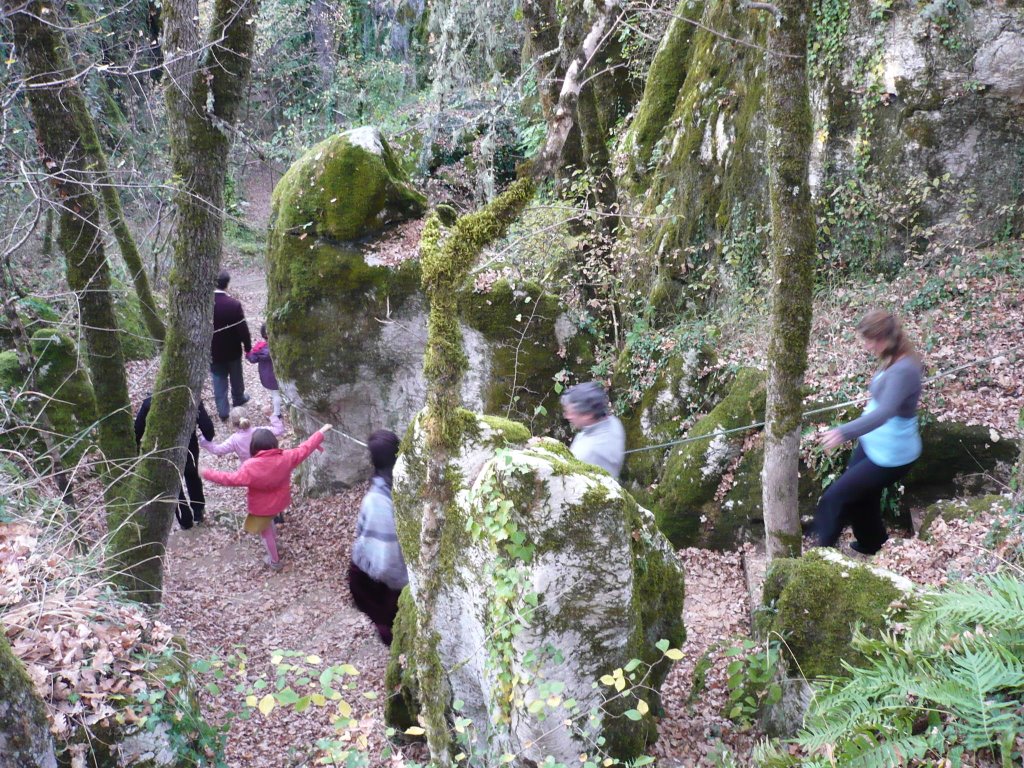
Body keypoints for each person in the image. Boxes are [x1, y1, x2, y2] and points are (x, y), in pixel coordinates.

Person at [813, 309, 923, 555]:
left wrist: (843, 432)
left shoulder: (904, 369)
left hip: (891, 454)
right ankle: (872, 543)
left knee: (836, 498)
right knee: (862, 497)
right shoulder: (895, 357)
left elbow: (885, 412)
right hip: (873, 443)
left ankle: (818, 558)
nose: (867, 346)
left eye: (870, 340)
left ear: (886, 338)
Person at [201, 423, 331, 570]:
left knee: (266, 533)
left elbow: (230, 479)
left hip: (261, 508)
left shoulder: (250, 466)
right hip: (279, 503)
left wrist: (207, 473)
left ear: (254, 447)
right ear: (273, 443)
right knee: (271, 523)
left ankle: (274, 561)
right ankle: (275, 544)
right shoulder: (286, 457)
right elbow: (305, 449)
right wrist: (320, 432)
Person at [348, 430, 408, 645]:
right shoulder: (384, 498)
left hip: (377, 581)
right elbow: (386, 561)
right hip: (376, 583)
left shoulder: (383, 496)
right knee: (389, 626)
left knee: (390, 626)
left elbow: (386, 562)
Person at [134, 393, 215, 529]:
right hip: (188, 445)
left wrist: (137, 450)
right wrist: (208, 436)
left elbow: (137, 430)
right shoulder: (190, 395)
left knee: (172, 483)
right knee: (192, 474)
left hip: (163, 449)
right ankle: (198, 511)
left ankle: (185, 520)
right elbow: (207, 427)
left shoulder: (149, 403)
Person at [560, 381, 626, 480]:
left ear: (588, 415)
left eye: (571, 412)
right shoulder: (613, 422)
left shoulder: (586, 453)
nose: (567, 416)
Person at [211, 270, 252, 421]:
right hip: (233, 351)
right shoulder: (234, 305)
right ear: (227, 284)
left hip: (213, 353)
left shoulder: (205, 306)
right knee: (236, 377)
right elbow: (243, 329)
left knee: (218, 380)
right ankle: (238, 398)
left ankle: (223, 411)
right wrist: (248, 347)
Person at [199, 405, 285, 463]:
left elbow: (218, 450)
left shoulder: (234, 440)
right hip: (267, 465)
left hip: (250, 471)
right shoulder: (261, 431)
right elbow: (279, 430)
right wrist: (270, 414)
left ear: (232, 423)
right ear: (249, 418)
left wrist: (204, 442)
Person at [246, 323, 282, 417]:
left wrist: (249, 353)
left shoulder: (261, 347)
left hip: (266, 375)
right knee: (276, 394)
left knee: (275, 393)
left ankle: (278, 412)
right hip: (277, 375)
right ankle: (277, 413)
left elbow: (253, 359)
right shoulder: (280, 347)